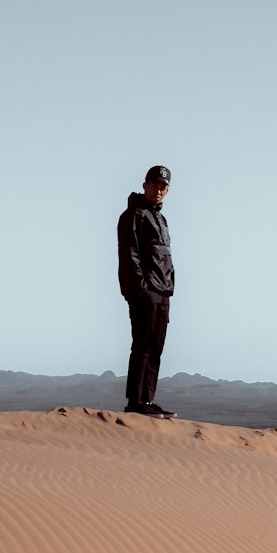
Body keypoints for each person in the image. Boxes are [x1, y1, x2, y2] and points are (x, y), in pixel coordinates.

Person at [117, 165, 176, 417]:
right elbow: (129, 254)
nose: (158, 190)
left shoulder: (161, 219)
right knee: (142, 344)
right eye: (154, 184)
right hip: (145, 291)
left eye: (163, 186)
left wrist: (170, 285)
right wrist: (139, 289)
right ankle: (135, 401)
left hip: (163, 292)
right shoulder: (133, 215)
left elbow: (165, 257)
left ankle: (147, 400)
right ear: (144, 185)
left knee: (156, 345)